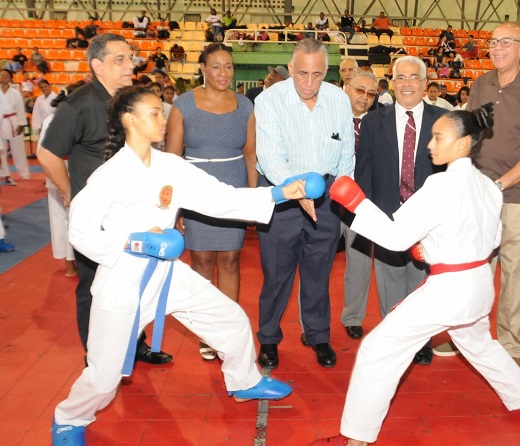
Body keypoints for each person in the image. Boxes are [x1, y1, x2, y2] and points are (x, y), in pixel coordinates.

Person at [50, 85, 298, 446]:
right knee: (104, 377)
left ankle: (244, 381)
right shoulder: (110, 175)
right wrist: (135, 242)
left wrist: (277, 193)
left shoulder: (170, 165)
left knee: (229, 318)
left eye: (161, 111)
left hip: (166, 272)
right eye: (154, 113)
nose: (163, 119)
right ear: (130, 120)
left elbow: (219, 197)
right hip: (124, 279)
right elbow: (80, 231)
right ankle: (69, 419)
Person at [311, 104, 520, 446]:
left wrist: (357, 204)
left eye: (438, 138)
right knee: (479, 344)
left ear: (463, 143)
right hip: (479, 283)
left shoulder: (440, 185)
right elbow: (492, 238)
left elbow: (395, 237)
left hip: (448, 291)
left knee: (377, 351)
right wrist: (432, 246)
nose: (429, 145)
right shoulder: (488, 186)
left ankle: (356, 438)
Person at [37, 34, 172, 365]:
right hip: (97, 220)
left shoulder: (134, 100)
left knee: (136, 280)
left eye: (131, 58)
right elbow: (47, 153)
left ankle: (134, 344)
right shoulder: (78, 105)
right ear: (97, 66)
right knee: (94, 287)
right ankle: (97, 354)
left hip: (135, 212)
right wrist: (72, 194)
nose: (130, 65)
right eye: (120, 60)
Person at [434, 23, 520, 361]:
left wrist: (500, 184)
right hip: (480, 195)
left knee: (515, 274)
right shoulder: (481, 84)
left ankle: (509, 344)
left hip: (519, 196)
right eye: (493, 42)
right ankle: (465, 339)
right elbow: (471, 137)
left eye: (507, 42)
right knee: (473, 271)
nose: (498, 48)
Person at [254, 38, 354, 369]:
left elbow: (345, 155)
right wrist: (296, 192)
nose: (309, 83)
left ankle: (318, 334)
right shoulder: (269, 101)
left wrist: (341, 196)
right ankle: (268, 338)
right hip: (281, 193)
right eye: (301, 74)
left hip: (325, 197)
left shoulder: (339, 100)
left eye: (317, 75)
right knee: (277, 272)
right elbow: (268, 157)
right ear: (291, 68)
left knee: (318, 270)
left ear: (327, 72)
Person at [165, 43, 257, 361]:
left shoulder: (246, 105)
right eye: (216, 66)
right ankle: (208, 331)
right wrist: (173, 207)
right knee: (202, 262)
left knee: (231, 260)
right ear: (202, 67)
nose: (223, 72)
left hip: (233, 189)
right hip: (195, 190)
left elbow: (250, 155)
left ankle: (229, 330)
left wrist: (252, 199)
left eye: (228, 66)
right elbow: (172, 160)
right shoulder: (183, 105)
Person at [354, 56, 446, 364]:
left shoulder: (442, 121)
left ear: (424, 83)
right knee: (391, 279)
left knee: (423, 282)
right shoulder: (373, 122)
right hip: (387, 216)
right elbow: (363, 172)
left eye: (413, 78)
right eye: (401, 78)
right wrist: (369, 216)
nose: (407, 84)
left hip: (428, 218)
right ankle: (393, 340)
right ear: (392, 84)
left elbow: (450, 172)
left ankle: (420, 342)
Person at [340, 70, 379, 340]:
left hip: (364, 205)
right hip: (327, 201)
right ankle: (312, 323)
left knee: (361, 264)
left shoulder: (380, 124)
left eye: (370, 93)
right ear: (347, 88)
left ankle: (354, 316)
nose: (364, 97)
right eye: (359, 90)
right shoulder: (329, 116)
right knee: (314, 264)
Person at [37, 82, 86, 278]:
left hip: (63, 174)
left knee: (63, 219)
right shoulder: (62, 118)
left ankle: (69, 263)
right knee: (70, 219)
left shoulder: (51, 119)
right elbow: (46, 154)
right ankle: (70, 262)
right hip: (67, 173)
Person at [0, 69, 29, 182]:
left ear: (11, 78)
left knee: (18, 149)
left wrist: (21, 123)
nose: (4, 77)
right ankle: (4, 172)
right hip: (0, 122)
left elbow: (20, 109)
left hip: (13, 121)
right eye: (2, 75)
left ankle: (24, 172)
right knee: (1, 150)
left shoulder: (15, 92)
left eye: (6, 76)